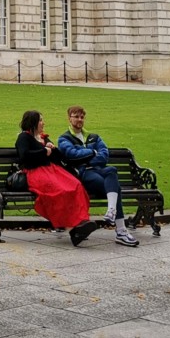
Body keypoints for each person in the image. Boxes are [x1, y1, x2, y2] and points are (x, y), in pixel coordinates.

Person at [15, 110, 100, 246]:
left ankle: (81, 222)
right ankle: (72, 228)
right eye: (41, 120)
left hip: (53, 171)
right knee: (60, 191)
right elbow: (24, 156)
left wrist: (53, 149)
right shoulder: (23, 138)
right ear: (33, 122)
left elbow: (58, 158)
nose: (43, 123)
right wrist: (44, 151)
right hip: (36, 172)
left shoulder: (43, 137)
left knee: (76, 185)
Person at [57, 105, 139, 247]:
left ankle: (112, 211)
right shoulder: (64, 138)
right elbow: (71, 155)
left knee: (111, 170)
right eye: (76, 116)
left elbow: (104, 155)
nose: (79, 119)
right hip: (83, 175)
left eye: (82, 117)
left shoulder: (94, 137)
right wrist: (92, 153)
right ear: (69, 118)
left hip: (98, 171)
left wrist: (86, 156)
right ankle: (121, 231)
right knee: (115, 189)